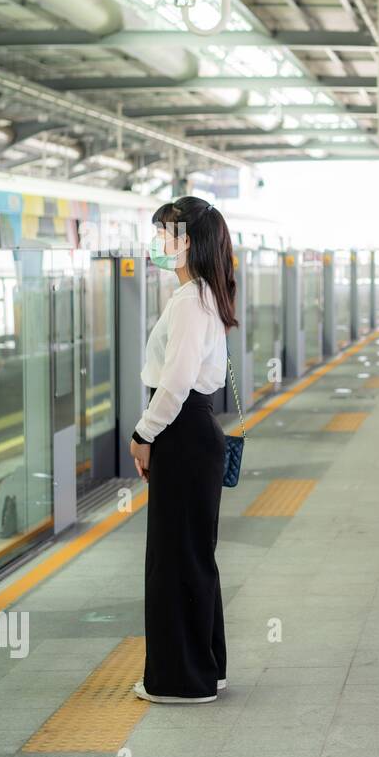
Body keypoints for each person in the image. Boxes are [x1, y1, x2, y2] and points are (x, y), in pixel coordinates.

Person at [129, 196, 236, 704]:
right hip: (194, 432)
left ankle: (180, 681)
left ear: (186, 240)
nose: (158, 243)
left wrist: (144, 434)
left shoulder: (190, 301)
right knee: (193, 557)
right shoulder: (202, 296)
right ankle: (205, 669)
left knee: (173, 560)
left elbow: (174, 382)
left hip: (182, 432)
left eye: (164, 234)